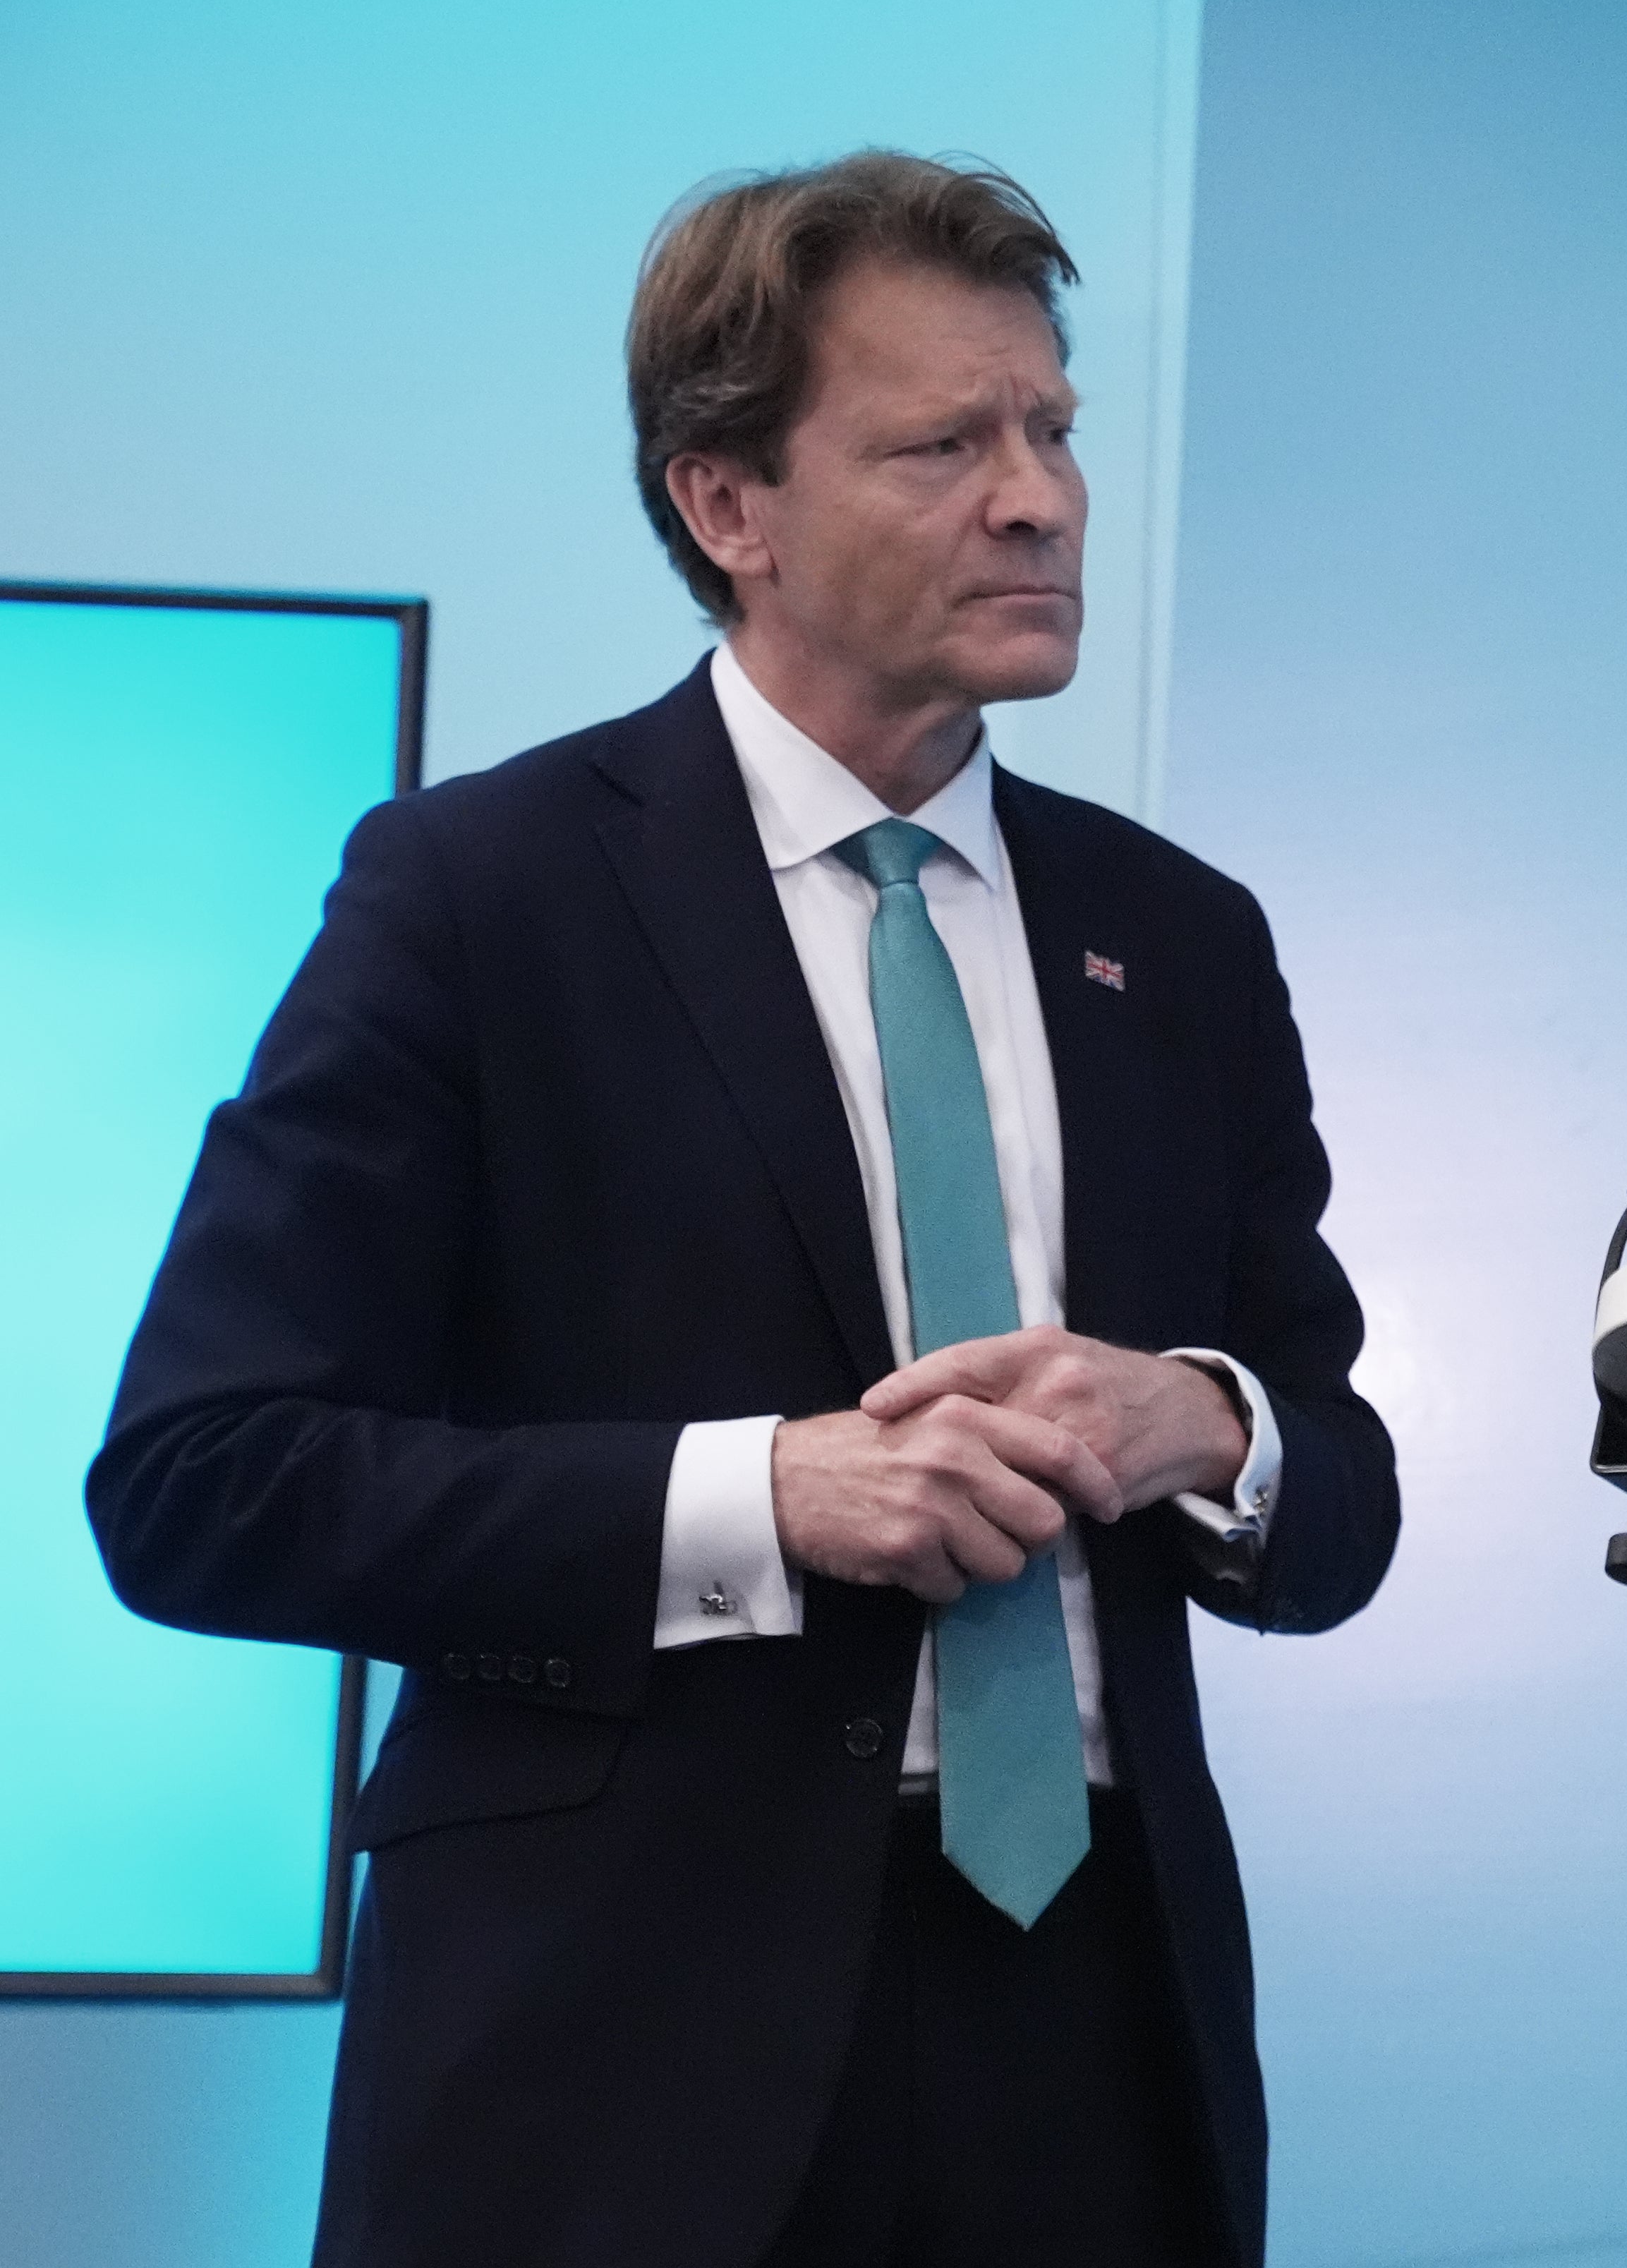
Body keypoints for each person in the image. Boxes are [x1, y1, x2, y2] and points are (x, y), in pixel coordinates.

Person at [87, 152, 1396, 2268]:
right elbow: (203, 1483)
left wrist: (1206, 1425)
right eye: (942, 442)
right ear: (727, 506)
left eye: (1052, 427)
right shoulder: (474, 898)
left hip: (1099, 2051)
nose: (1040, 496)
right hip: (607, 2055)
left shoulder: (1182, 939)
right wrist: (760, 1496)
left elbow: (1340, 1493)